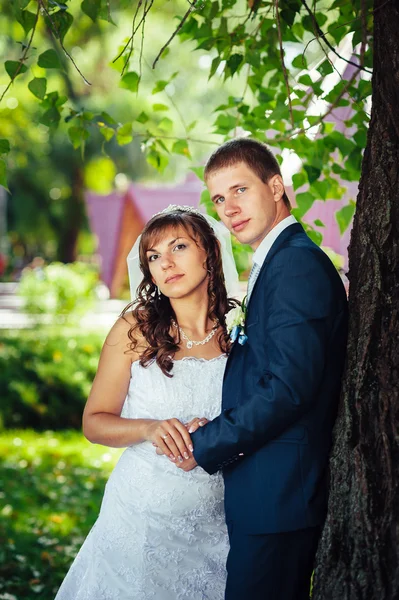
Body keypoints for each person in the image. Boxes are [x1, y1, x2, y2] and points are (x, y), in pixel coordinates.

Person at [173, 138, 349, 600]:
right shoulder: (277, 260)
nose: (228, 208)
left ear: (276, 187)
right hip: (266, 490)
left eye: (240, 190)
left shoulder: (295, 265)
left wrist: (206, 442)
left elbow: (289, 388)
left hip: (281, 495)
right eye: (218, 198)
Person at [54, 205, 240, 600]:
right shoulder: (135, 329)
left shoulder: (240, 331)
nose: (166, 263)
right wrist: (148, 428)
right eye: (154, 256)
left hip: (221, 519)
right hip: (140, 515)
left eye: (178, 247)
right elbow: (94, 422)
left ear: (209, 251)